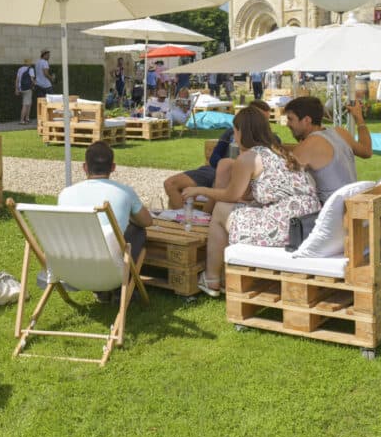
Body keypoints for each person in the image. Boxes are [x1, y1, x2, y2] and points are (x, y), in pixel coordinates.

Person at [181, 106, 320, 297]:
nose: (234, 136)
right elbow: (252, 195)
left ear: (240, 132)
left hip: (285, 227)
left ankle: (212, 277)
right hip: (307, 224)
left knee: (221, 210)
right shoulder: (280, 153)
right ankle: (221, 276)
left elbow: (230, 195)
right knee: (233, 209)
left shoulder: (249, 158)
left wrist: (200, 190)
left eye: (235, 131)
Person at [58, 141, 152, 302]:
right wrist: (127, 215)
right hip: (110, 271)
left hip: (69, 269)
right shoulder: (124, 192)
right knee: (137, 230)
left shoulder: (65, 194)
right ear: (113, 167)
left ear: (85, 167)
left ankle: (101, 292)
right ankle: (121, 287)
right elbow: (146, 221)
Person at [163, 100, 271, 208]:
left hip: (240, 176)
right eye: (260, 118)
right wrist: (224, 168)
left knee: (223, 172)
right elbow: (214, 158)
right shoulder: (231, 133)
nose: (263, 123)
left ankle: (204, 219)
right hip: (214, 170)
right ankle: (181, 219)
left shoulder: (271, 140)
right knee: (170, 184)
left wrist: (232, 168)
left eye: (266, 119)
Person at [283, 96, 373, 204]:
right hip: (352, 204)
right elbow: (367, 151)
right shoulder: (340, 132)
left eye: (290, 119)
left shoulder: (308, 146)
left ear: (307, 120)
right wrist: (359, 118)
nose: (287, 124)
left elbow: (281, 181)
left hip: (331, 212)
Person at [15, 58, 34, 124]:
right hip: (27, 89)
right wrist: (35, 83)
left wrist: (16, 89)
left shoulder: (20, 69)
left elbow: (17, 80)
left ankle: (27, 118)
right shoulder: (31, 69)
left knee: (29, 103)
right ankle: (22, 120)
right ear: (29, 63)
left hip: (21, 89)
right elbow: (32, 79)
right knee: (25, 105)